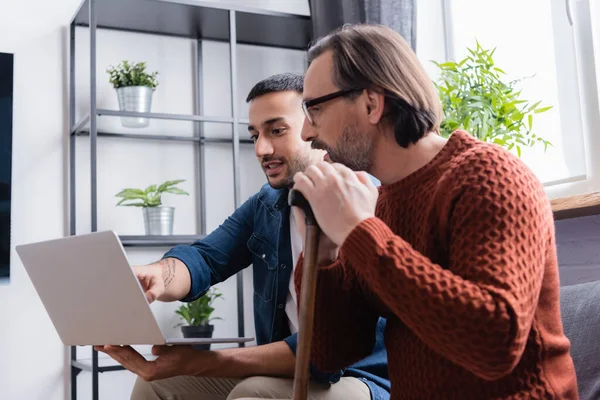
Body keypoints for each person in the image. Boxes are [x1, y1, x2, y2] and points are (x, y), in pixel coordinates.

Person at [290, 24, 579, 399]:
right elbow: (332, 354)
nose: (305, 133)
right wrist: (325, 257)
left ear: (371, 104)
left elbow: (495, 343)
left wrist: (359, 230)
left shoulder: (488, 176)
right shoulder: (380, 203)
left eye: (315, 108)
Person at [95, 73, 390, 400]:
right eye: (254, 135)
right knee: (155, 383)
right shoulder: (266, 205)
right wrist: (161, 275)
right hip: (287, 370)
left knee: (251, 394)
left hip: (359, 378)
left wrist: (204, 362)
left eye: (277, 130)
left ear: (314, 128)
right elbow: (205, 259)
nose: (262, 149)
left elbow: (326, 354)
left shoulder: (367, 203)